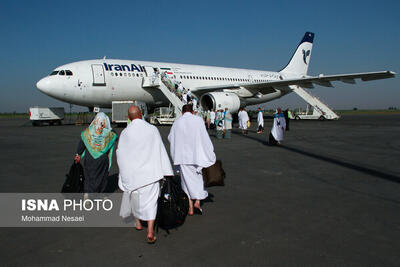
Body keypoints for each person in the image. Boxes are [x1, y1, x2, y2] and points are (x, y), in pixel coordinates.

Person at [117, 106, 173, 244]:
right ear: (141, 114)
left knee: (134, 200)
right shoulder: (152, 129)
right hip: (150, 174)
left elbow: (120, 154)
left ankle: (138, 224)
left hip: (132, 175)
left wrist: (124, 173)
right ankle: (149, 231)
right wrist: (167, 171)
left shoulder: (125, 133)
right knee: (151, 203)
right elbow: (160, 149)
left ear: (129, 117)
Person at [168, 104, 216, 215]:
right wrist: (209, 152)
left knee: (185, 182)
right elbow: (204, 137)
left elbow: (170, 137)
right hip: (196, 156)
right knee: (198, 180)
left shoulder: (177, 122)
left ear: (182, 112)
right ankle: (197, 201)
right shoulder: (198, 120)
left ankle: (190, 206)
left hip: (183, 157)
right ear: (193, 111)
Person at [75, 112, 117, 197]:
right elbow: (115, 137)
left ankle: (87, 193)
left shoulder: (87, 132)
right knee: (102, 176)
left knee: (88, 175)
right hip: (102, 159)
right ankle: (102, 194)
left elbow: (81, 144)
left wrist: (78, 154)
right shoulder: (110, 134)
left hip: (89, 157)